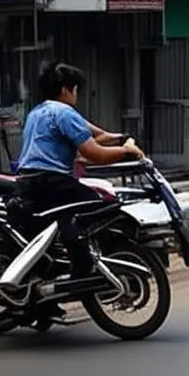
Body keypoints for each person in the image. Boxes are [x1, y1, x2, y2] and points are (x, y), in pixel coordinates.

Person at [15, 62, 144, 277]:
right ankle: (81, 266)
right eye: (76, 90)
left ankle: (59, 268)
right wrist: (126, 150)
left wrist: (121, 137)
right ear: (66, 89)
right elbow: (96, 154)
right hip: (52, 181)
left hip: (28, 181)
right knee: (99, 206)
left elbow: (97, 135)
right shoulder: (64, 113)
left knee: (60, 220)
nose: (77, 95)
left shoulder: (37, 112)